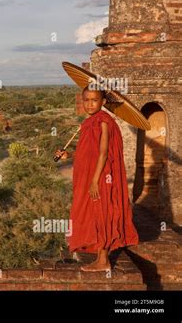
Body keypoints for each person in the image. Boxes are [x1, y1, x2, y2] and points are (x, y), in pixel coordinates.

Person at [55, 87, 139, 272]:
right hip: (89, 176)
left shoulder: (103, 122)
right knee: (92, 212)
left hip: (99, 177)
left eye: (94, 100)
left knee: (103, 213)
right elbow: (87, 153)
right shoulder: (88, 123)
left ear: (103, 102)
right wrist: (67, 156)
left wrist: (94, 181)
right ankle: (100, 256)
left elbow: (103, 154)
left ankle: (103, 260)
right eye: (86, 100)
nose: (90, 104)